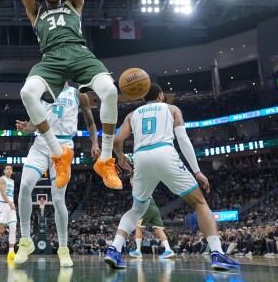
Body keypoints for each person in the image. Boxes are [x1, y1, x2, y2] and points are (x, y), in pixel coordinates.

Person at [17, 0, 121, 191]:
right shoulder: (36, 12)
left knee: (110, 92)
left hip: (80, 53)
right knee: (27, 93)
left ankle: (106, 159)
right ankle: (58, 153)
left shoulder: (74, 4)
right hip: (51, 58)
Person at [103, 84, 240, 271]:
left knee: (136, 209)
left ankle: (114, 249)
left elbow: (117, 140)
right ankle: (217, 254)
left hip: (141, 157)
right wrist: (197, 171)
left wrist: (120, 157)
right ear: (160, 95)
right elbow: (183, 140)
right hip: (165, 152)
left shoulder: (132, 115)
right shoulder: (172, 109)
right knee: (200, 203)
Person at [13, 84, 100, 266]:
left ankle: (63, 247)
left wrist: (94, 143)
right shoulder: (42, 91)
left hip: (64, 146)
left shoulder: (78, 93)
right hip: (41, 144)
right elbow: (34, 123)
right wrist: (27, 127)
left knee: (58, 199)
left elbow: (91, 122)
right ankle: (26, 240)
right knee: (25, 186)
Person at [127, 176, 175, 259]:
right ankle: (168, 250)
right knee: (158, 229)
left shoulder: (137, 187)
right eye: (130, 180)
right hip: (154, 208)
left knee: (138, 227)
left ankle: (138, 251)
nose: (131, 181)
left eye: (132, 180)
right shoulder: (144, 185)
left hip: (147, 207)